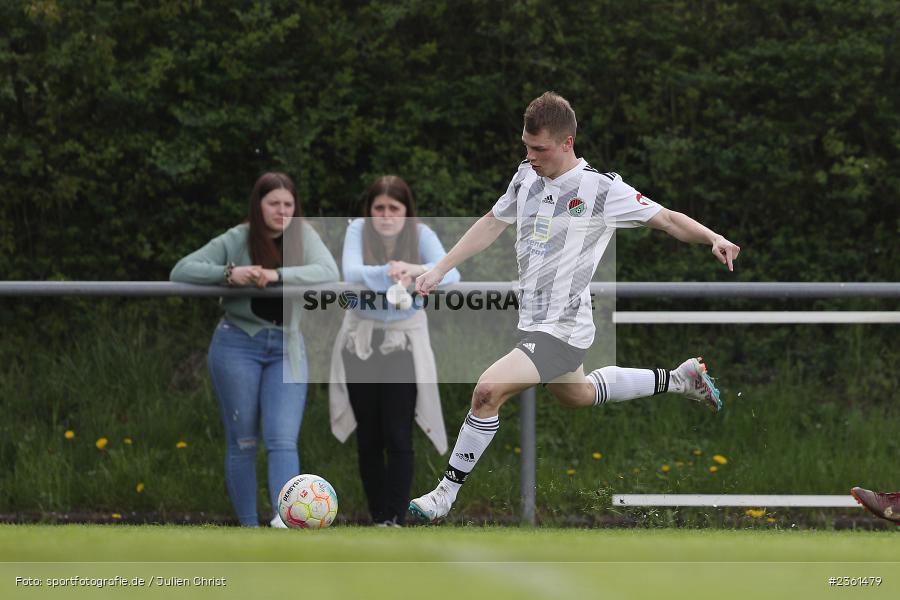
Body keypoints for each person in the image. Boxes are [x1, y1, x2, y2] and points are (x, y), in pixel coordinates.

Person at [408, 92, 742, 523]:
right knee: (578, 395)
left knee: (487, 391)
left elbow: (669, 219)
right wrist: (439, 269)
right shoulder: (525, 176)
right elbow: (492, 222)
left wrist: (713, 237)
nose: (530, 157)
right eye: (526, 147)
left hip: (564, 327)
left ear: (567, 143)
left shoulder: (602, 189)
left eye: (539, 149)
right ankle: (679, 379)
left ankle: (443, 494)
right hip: (533, 322)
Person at [170, 172, 339, 527]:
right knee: (244, 441)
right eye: (273, 203)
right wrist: (229, 273)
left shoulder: (303, 237)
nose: (281, 211)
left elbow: (328, 271)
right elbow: (182, 270)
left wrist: (277, 275)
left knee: (282, 439)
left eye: (288, 204)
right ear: (257, 205)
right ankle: (248, 528)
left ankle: (284, 523)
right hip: (237, 344)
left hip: (286, 348)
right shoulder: (237, 237)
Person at [329, 175, 460, 527]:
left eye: (394, 208)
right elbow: (351, 271)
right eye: (379, 208)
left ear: (406, 211)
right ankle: (378, 518)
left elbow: (453, 273)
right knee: (369, 433)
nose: (386, 216)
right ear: (369, 211)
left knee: (398, 432)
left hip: (404, 342)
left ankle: (396, 518)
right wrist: (389, 274)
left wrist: (414, 270)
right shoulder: (358, 229)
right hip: (360, 341)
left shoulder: (422, 235)